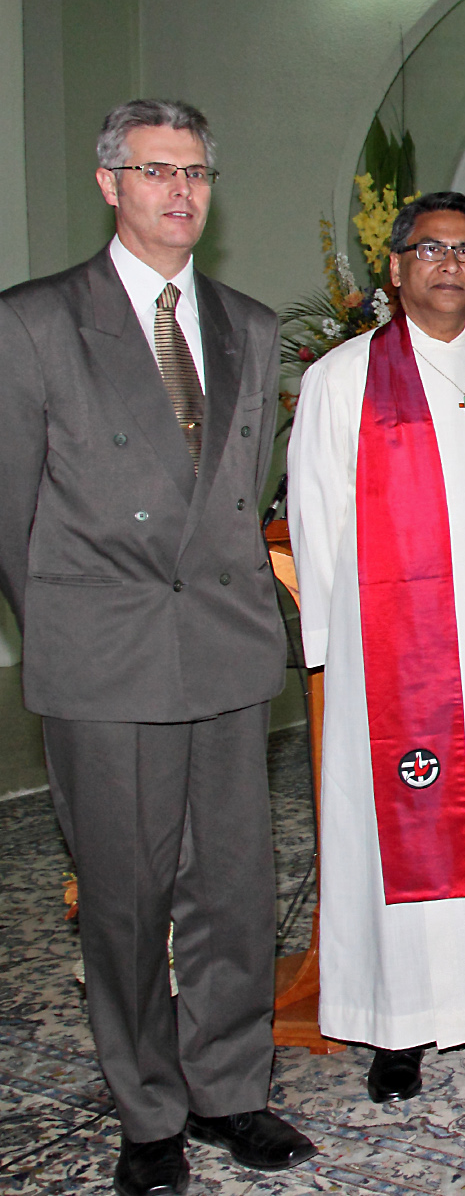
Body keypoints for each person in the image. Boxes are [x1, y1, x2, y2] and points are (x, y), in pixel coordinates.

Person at [0, 100, 316, 1196]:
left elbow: (239, 498)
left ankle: (230, 1088)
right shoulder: (34, 322)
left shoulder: (248, 322)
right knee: (126, 896)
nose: (181, 191)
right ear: (109, 184)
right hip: (106, 653)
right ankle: (147, 1108)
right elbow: (10, 513)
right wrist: (69, 633)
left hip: (223, 650)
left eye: (197, 173)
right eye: (155, 170)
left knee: (233, 887)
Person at [291, 191, 465, 1103]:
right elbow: (319, 518)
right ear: (397, 267)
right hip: (389, 661)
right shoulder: (343, 380)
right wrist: (330, 651)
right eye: (430, 248)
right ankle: (397, 1028)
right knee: (392, 832)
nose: (450, 263)